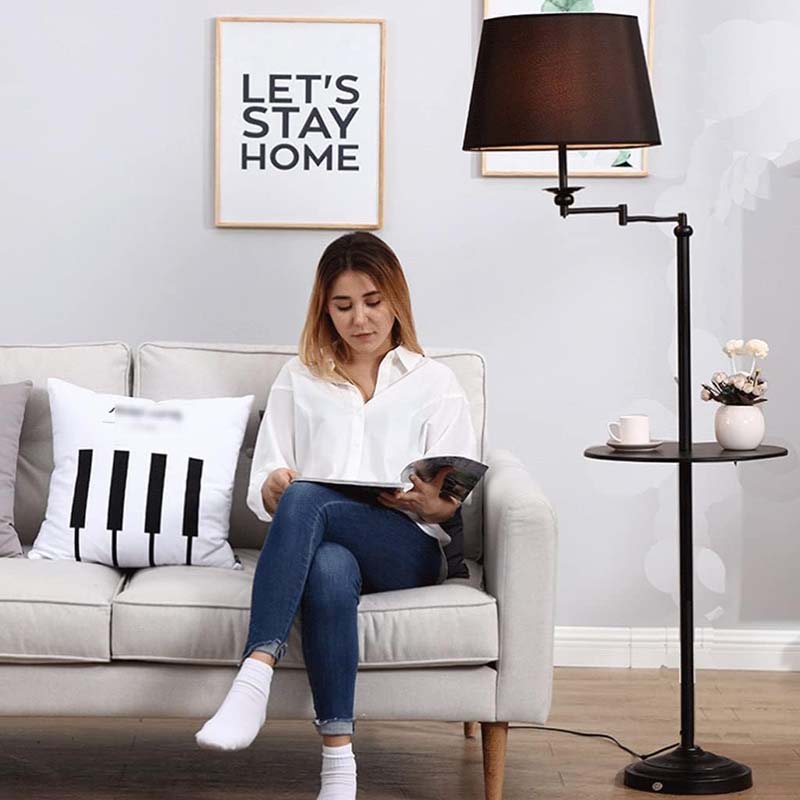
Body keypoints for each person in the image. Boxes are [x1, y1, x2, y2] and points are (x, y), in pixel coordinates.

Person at [195, 231, 479, 800]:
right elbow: (267, 483)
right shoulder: (300, 378)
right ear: (324, 309)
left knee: (308, 500)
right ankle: (338, 768)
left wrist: (429, 501)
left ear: (395, 299)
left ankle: (255, 671)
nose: (361, 319)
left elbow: (453, 496)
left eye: (373, 301)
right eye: (343, 305)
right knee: (324, 564)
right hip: (330, 544)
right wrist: (273, 485)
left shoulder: (435, 383)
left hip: (408, 547)